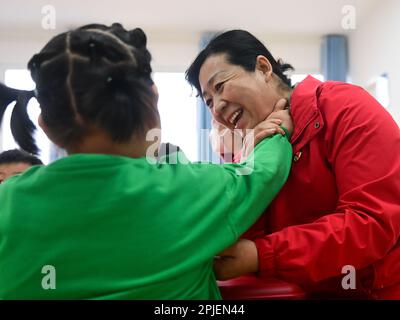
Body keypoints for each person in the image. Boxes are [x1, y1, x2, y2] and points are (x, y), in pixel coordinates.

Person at [0, 23, 293, 299]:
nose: (216, 109)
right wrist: (277, 126)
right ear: (152, 100)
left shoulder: (8, 202)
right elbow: (265, 171)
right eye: (208, 99)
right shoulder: (194, 189)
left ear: (46, 126)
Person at [186, 29, 400, 299]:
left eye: (219, 87)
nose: (216, 109)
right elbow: (236, 234)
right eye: (208, 102)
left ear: (263, 68)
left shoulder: (344, 107)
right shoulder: (249, 155)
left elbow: (371, 223)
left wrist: (263, 256)